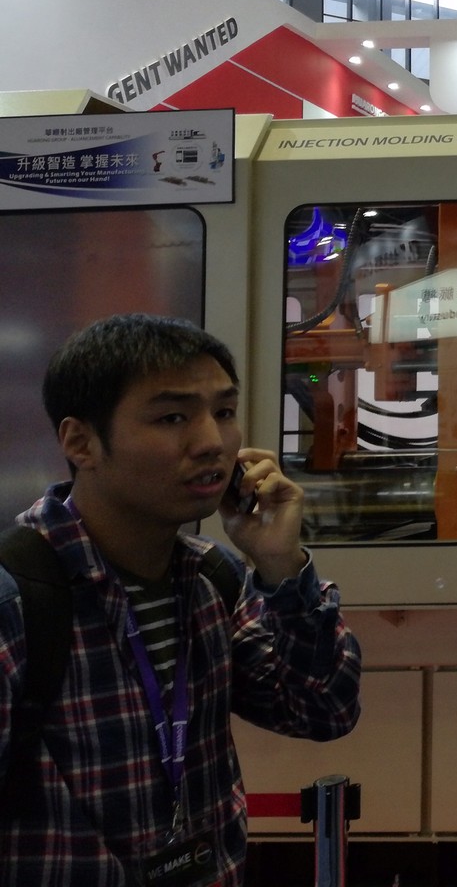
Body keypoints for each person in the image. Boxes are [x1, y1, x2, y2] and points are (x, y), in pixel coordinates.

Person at [0, 314, 362, 886]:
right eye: (172, 417)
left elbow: (323, 711)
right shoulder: (18, 600)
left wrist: (281, 566)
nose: (212, 442)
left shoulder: (210, 577)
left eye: (224, 411)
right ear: (81, 442)